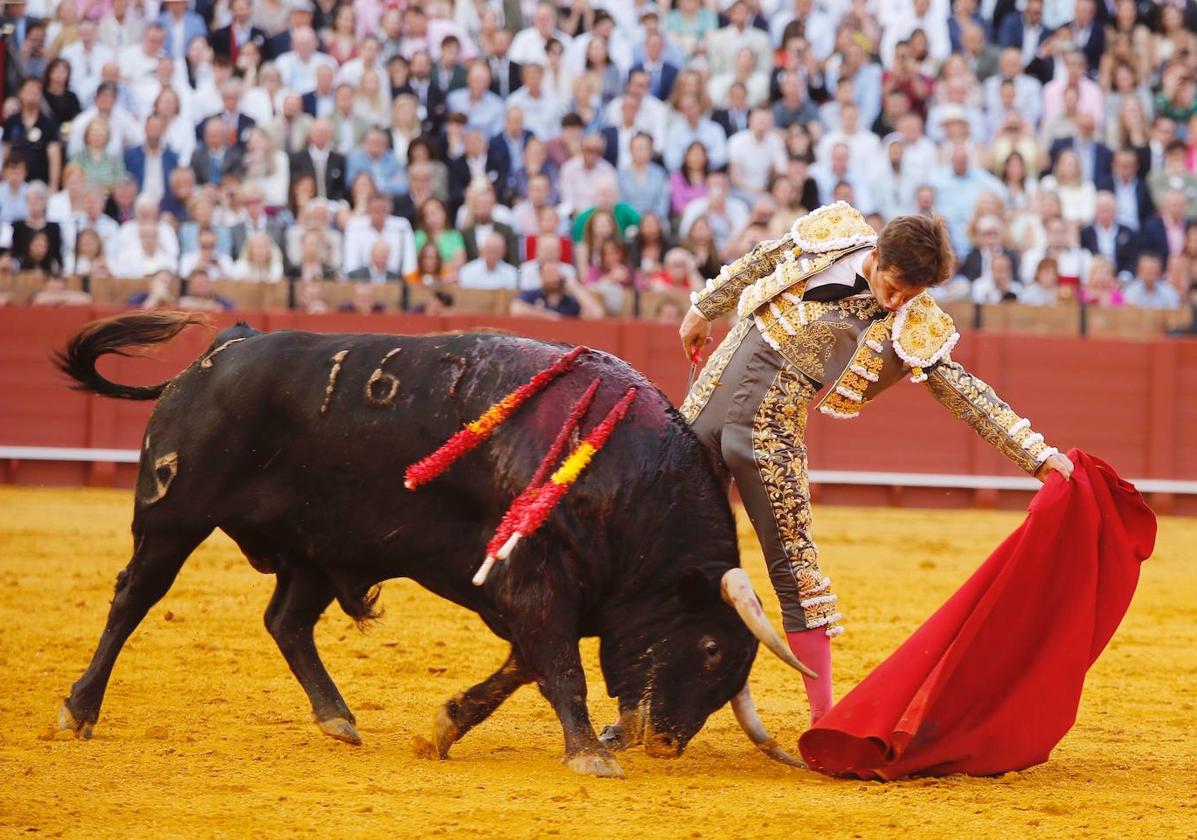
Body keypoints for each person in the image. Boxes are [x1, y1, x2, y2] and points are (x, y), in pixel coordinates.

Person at [677, 202, 1072, 726]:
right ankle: (647, 697)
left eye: (914, 293)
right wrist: (704, 308)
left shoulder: (912, 321)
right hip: (715, 393)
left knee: (798, 570)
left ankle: (825, 720)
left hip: (772, 431)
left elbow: (966, 394)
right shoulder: (832, 237)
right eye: (897, 284)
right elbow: (762, 258)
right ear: (879, 255)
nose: (900, 299)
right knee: (662, 532)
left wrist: (1039, 456)